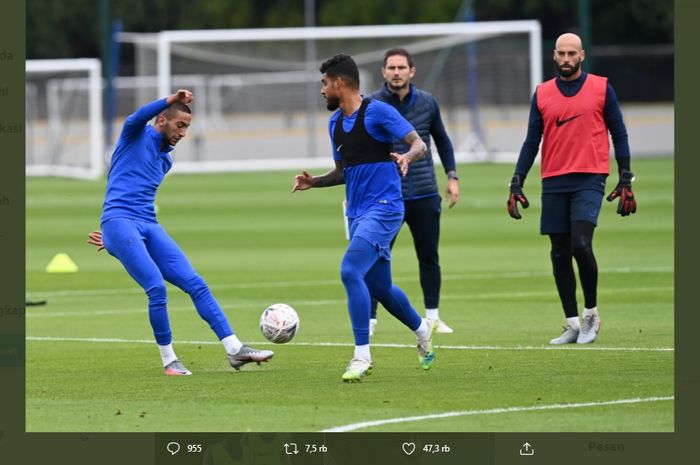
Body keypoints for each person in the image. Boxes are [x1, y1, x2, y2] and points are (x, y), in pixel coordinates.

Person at [86, 89, 273, 375]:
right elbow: (137, 117)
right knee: (156, 288)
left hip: (146, 224)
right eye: (180, 125)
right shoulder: (135, 135)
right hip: (119, 220)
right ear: (161, 120)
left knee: (195, 283)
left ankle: (235, 349)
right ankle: (169, 360)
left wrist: (117, 241)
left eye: (187, 127)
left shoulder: (165, 161)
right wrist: (172, 98)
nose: (184, 133)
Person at [292, 53, 437, 382]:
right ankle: (421, 329)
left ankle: (361, 355)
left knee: (349, 271)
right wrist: (315, 182)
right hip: (356, 212)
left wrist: (406, 157)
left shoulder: (378, 112)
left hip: (385, 207)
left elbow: (418, 144)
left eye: (325, 83)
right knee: (380, 286)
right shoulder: (334, 124)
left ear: (339, 83)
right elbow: (345, 172)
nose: (322, 90)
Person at [508, 33, 637, 345]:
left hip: (590, 177)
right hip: (553, 179)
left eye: (572, 54)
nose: (566, 59)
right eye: (561, 54)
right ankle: (572, 324)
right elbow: (531, 140)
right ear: (554, 56)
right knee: (558, 253)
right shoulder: (542, 93)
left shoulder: (602, 88)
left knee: (581, 244)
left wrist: (625, 176)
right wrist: (517, 180)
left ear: (582, 55)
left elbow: (619, 133)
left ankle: (591, 314)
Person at [369, 48, 459, 335]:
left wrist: (452, 177)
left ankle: (432, 316)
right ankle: (370, 319)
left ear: (412, 71)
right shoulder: (371, 105)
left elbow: (442, 142)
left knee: (429, 256)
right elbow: (364, 150)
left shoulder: (428, 103)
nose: (396, 72)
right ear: (383, 72)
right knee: (375, 257)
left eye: (401, 67)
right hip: (386, 195)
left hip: (424, 192)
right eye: (391, 68)